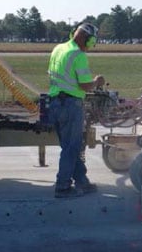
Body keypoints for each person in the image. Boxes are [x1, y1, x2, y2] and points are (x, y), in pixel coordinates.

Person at [47, 22, 105, 198]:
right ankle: (63, 187)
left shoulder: (59, 48)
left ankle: (81, 181)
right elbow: (85, 85)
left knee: (69, 146)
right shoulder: (78, 55)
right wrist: (97, 82)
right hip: (70, 106)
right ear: (86, 39)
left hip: (55, 104)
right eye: (91, 42)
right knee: (72, 148)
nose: (91, 46)